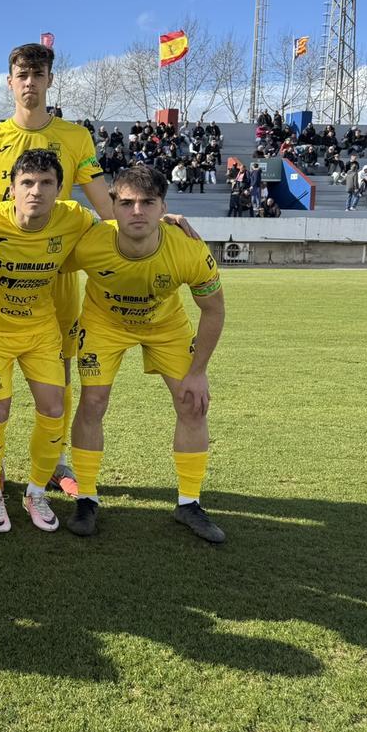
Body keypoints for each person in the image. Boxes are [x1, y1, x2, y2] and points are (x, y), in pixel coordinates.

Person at [0, 43, 111, 498]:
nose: (30, 82)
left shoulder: (76, 138)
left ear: (50, 81)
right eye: (22, 74)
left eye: (38, 74)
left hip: (55, 278)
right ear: (10, 81)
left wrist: (154, 220)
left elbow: (105, 208)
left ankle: (56, 464)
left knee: (57, 373)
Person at [63, 166, 227, 543]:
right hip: (104, 325)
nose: (137, 211)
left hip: (165, 326)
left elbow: (214, 309)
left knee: (192, 403)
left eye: (148, 203)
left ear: (163, 207)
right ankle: (86, 498)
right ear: (113, 207)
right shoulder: (89, 242)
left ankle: (189, 503)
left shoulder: (187, 248)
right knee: (93, 402)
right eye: (127, 203)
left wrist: (198, 372)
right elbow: (45, 261)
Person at [0, 150, 95, 532]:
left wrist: (165, 223)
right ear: (11, 190)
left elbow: (117, 232)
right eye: (27, 183)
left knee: (54, 409)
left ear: (59, 190)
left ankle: (36, 490)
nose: (36, 191)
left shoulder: (76, 218)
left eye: (46, 183)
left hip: (40, 332)